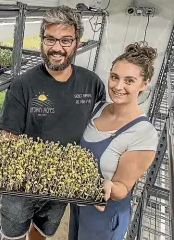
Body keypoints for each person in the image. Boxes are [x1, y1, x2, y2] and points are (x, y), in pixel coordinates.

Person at [0, 5, 106, 240]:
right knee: (13, 234)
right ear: (42, 40)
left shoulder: (92, 84)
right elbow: (8, 137)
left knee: (43, 231)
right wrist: (31, 174)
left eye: (66, 40)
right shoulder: (23, 85)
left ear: (77, 42)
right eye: (50, 39)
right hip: (21, 187)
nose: (57, 48)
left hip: (61, 185)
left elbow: (100, 132)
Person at [68, 41, 159, 240]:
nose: (118, 86)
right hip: (78, 203)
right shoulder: (96, 108)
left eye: (129, 80)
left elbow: (123, 188)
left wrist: (107, 186)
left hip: (104, 215)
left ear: (144, 84)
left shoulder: (143, 134)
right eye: (114, 77)